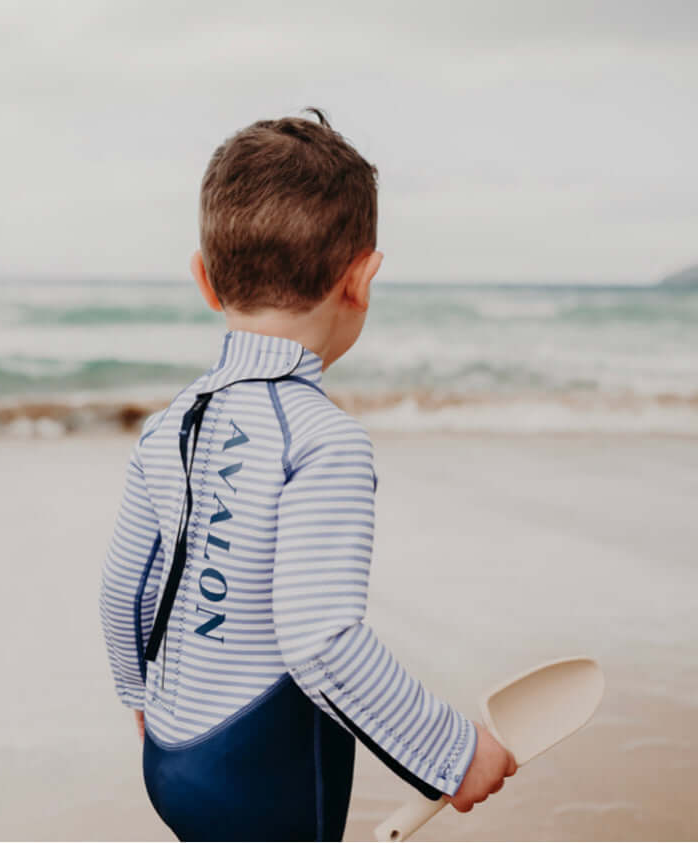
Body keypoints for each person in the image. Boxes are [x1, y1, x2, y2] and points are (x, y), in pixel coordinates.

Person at [99, 108, 516, 841]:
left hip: (169, 757)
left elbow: (121, 589)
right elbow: (320, 641)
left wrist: (141, 699)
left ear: (203, 277)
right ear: (361, 279)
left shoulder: (166, 426)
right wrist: (455, 752)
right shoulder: (323, 442)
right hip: (263, 777)